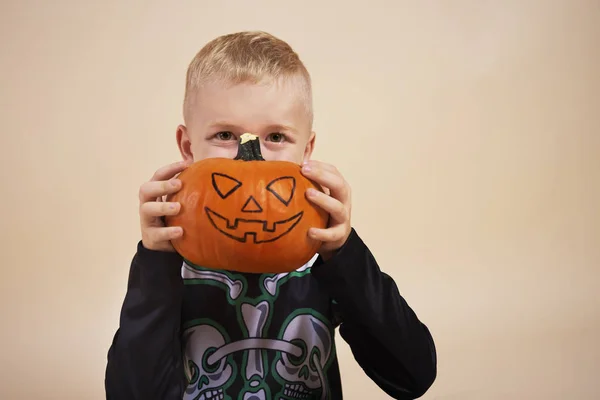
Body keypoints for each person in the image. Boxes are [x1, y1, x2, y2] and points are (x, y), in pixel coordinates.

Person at [105, 31, 437, 400]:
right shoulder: (172, 269)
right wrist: (155, 264)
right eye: (226, 134)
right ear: (187, 147)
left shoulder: (322, 260)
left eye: (276, 137)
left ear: (306, 150)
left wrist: (345, 255)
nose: (252, 155)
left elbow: (412, 375)